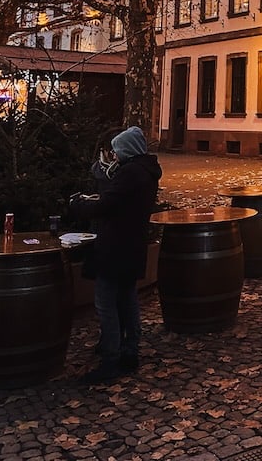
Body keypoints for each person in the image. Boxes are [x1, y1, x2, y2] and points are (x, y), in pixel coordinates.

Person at [70, 125, 162, 384]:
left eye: (118, 151)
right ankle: (130, 349)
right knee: (127, 297)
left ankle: (111, 358)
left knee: (106, 302)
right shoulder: (146, 171)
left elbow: (107, 205)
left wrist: (79, 206)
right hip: (133, 244)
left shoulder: (130, 173)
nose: (115, 156)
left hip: (116, 246)